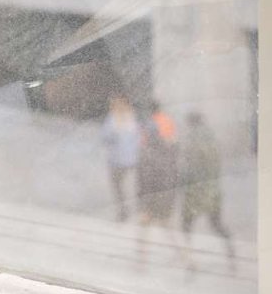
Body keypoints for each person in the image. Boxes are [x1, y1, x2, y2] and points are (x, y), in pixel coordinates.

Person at [179, 111, 236, 271]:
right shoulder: (212, 139)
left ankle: (190, 261)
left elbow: (190, 170)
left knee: (186, 225)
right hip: (213, 192)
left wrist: (181, 183)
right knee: (217, 225)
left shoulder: (193, 141)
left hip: (196, 192)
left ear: (191, 123)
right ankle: (231, 255)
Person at [135, 98, 181, 261]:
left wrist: (142, 199)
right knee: (166, 225)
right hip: (165, 190)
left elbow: (145, 178)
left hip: (153, 194)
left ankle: (142, 259)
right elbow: (174, 144)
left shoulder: (149, 127)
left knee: (147, 226)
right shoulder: (167, 122)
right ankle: (183, 257)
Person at [101, 93, 141, 222]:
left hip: (117, 160)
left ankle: (123, 210)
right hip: (132, 160)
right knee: (126, 185)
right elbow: (138, 138)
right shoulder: (131, 119)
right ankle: (134, 209)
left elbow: (106, 137)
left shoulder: (112, 119)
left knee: (117, 186)